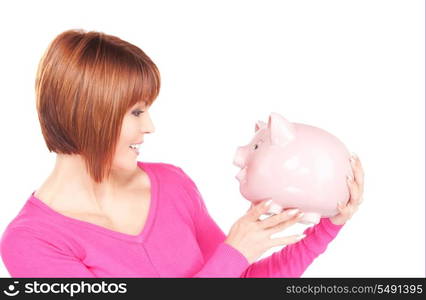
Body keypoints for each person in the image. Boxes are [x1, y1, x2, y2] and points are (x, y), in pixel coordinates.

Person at [0, 29, 365, 278]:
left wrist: (328, 226)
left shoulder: (171, 184)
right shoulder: (32, 242)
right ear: (91, 114)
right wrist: (234, 253)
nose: (150, 127)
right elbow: (226, 268)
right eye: (136, 112)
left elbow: (238, 280)